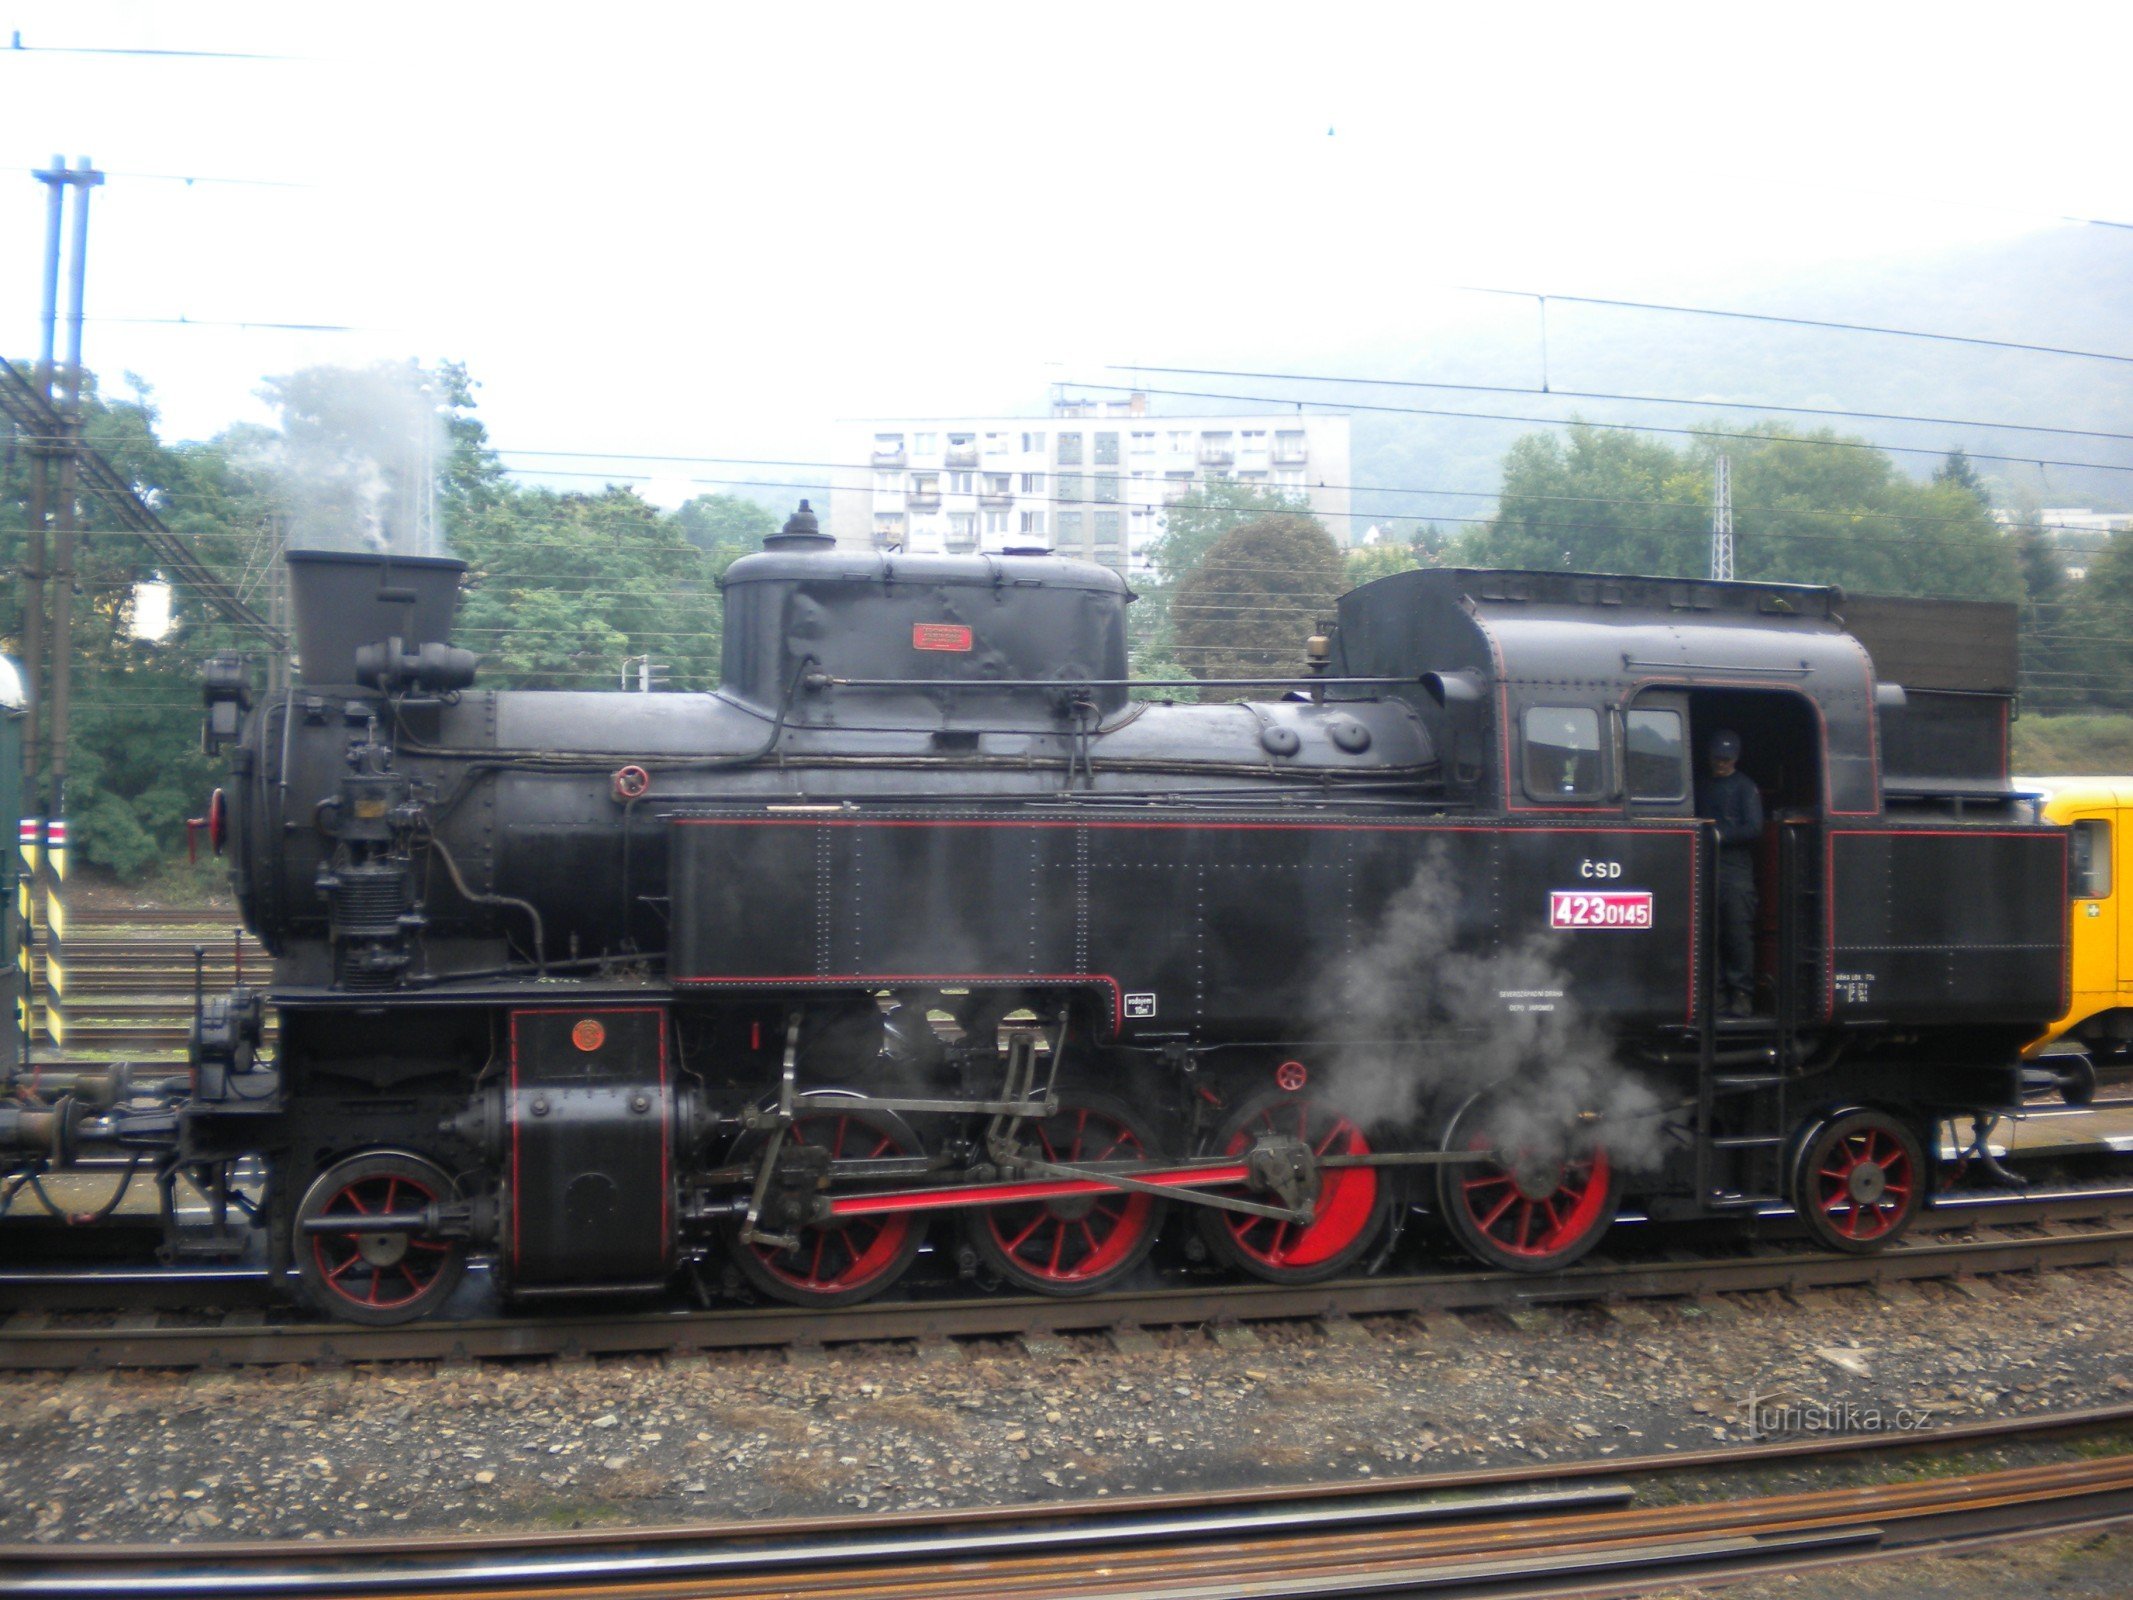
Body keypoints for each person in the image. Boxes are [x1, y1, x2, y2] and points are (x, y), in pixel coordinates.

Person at [1697, 729, 1763, 1017]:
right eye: (1717, 758)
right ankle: (1716, 993)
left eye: (1726, 759)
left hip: (1735, 870)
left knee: (1736, 933)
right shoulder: (1702, 786)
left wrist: (1717, 834)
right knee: (1707, 933)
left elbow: (1754, 828)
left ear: (1735, 759)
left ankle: (1741, 993)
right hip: (1707, 866)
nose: (1721, 763)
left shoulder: (1746, 788)